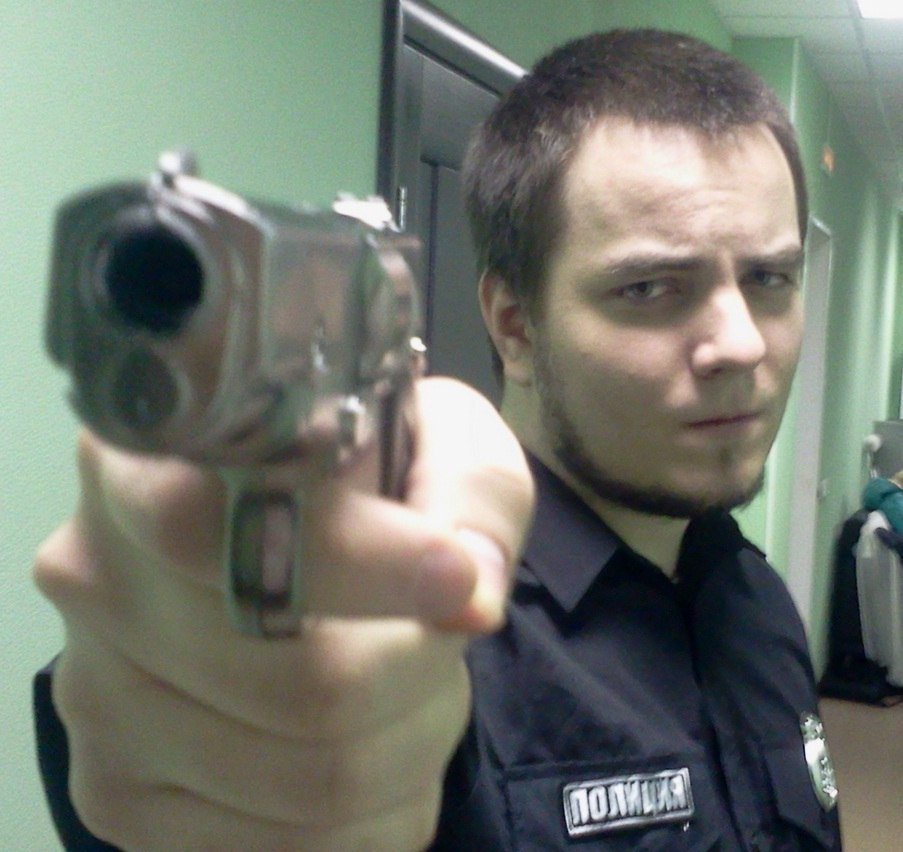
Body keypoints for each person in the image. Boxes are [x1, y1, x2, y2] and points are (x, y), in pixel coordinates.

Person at [33, 28, 842, 850]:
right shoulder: (414, 633)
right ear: (513, 325)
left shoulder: (757, 602)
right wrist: (215, 663)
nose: (741, 343)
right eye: (648, 287)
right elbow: (247, 737)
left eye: (768, 278)